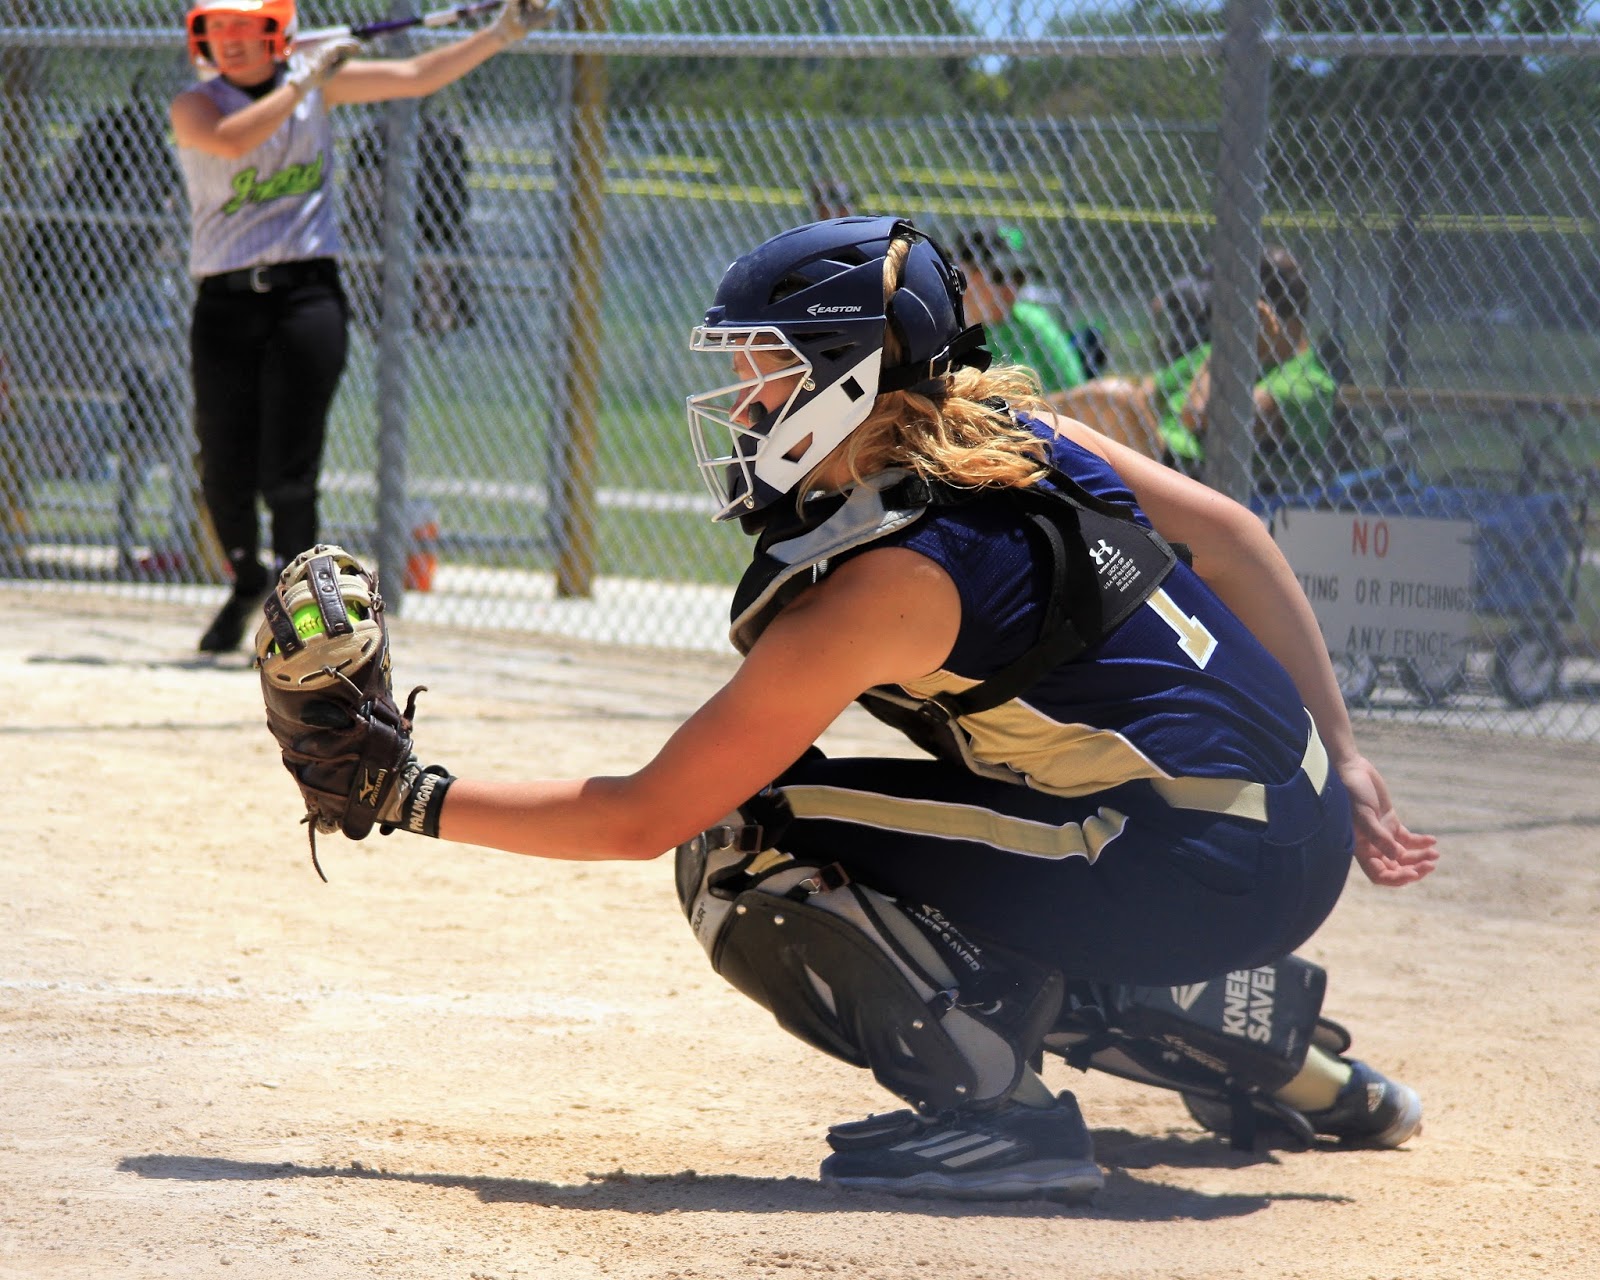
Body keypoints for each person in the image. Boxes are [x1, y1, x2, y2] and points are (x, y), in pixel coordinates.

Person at [286, 216, 1438, 1203]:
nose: (744, 404)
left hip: (1199, 863)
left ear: (848, 377)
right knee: (984, 849)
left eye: (767, 374)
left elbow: (644, 812)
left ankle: (999, 1116)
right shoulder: (1008, 433)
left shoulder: (891, 577)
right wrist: (1345, 751)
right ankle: (1262, 1042)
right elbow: (1232, 535)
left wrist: (401, 792)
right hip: (1287, 821)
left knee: (743, 831)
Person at [171, 0, 550, 653]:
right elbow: (233, 140)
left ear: (276, 33)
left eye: (245, 27)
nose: (230, 40)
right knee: (224, 468)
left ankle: (298, 610)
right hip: (226, 303)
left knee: (290, 471)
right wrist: (302, 81)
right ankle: (246, 578)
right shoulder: (198, 105)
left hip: (305, 295)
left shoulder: (315, 85)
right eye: (218, 28)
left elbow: (417, 76)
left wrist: (498, 35)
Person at [1051, 247, 1338, 488]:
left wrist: (1232, 342)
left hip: (1199, 481)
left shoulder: (1307, 381)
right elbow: (1148, 391)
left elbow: (1198, 416)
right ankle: (1033, 414)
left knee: (1117, 397)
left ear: (1264, 313)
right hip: (1160, 460)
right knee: (1109, 397)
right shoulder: (1219, 352)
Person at [951, 225, 1097, 394]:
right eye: (999, 277)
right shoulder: (938, 323)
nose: (1011, 289)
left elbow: (1073, 396)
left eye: (1019, 279)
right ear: (964, 271)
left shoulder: (1033, 324)